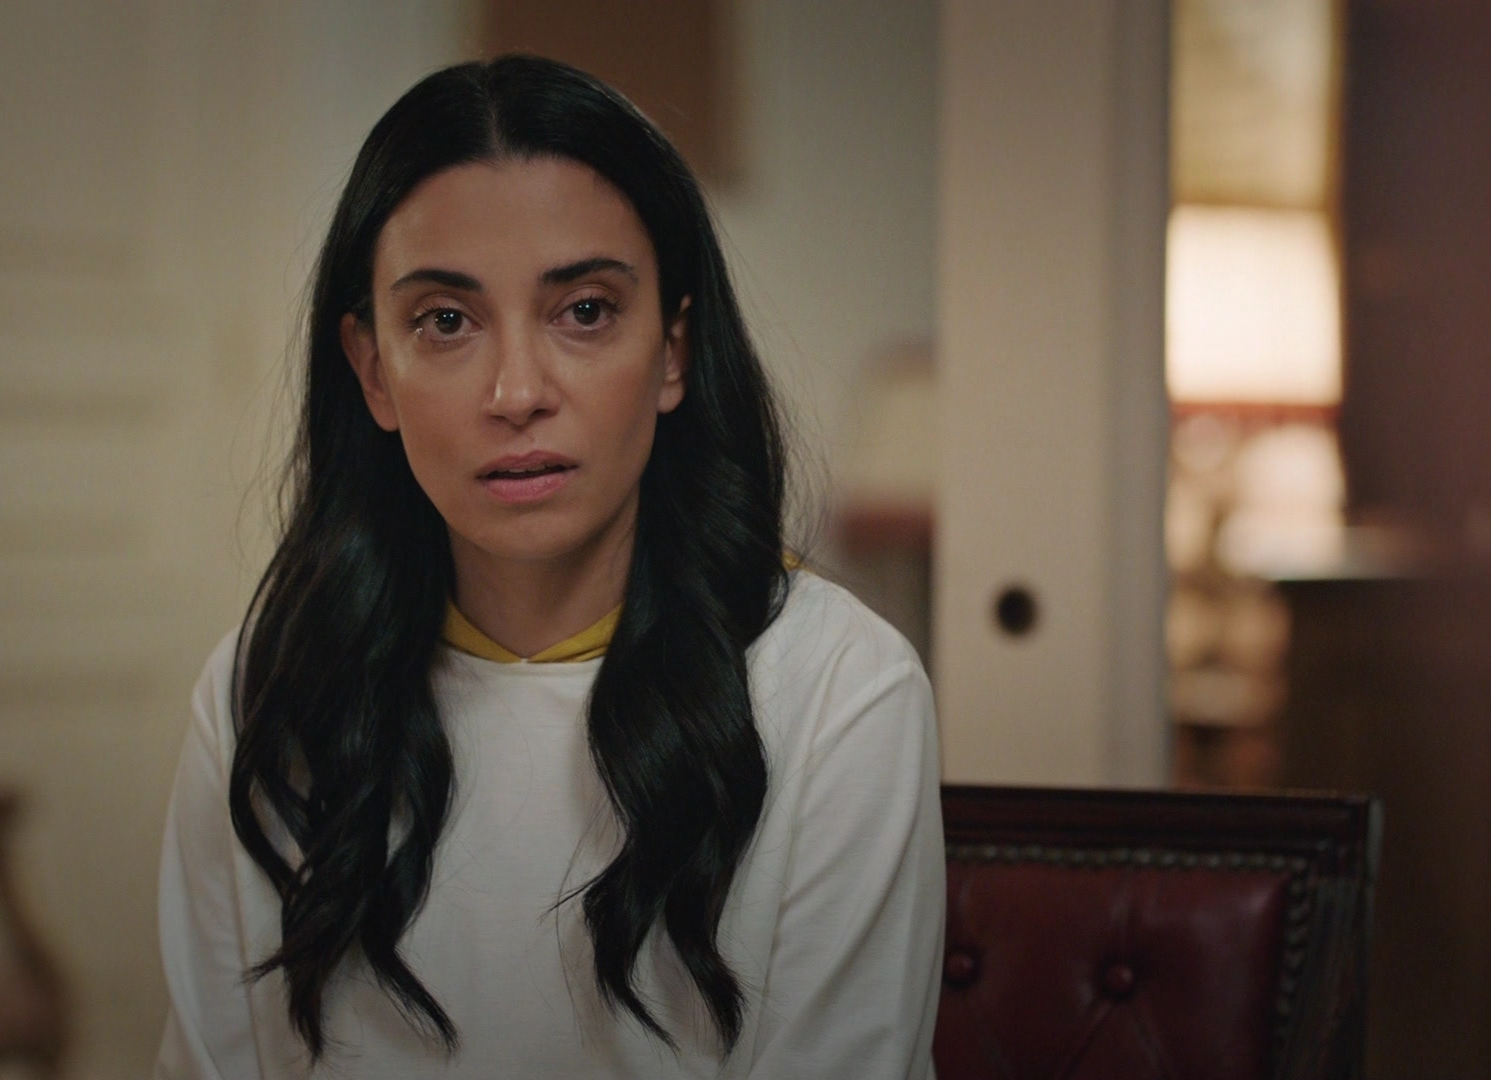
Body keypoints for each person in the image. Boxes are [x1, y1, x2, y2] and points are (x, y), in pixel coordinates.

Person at [154, 55, 944, 1079]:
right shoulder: (265, 693)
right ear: (373, 370)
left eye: (585, 311)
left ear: (673, 351)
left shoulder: (840, 691)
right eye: (446, 321)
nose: (517, 392)